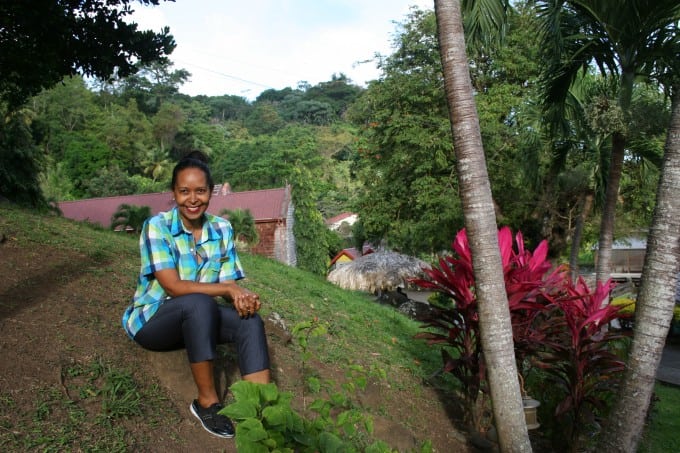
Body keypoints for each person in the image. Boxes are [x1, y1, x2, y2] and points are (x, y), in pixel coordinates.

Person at [122, 151, 270, 439]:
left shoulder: (222, 228)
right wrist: (228, 289)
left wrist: (242, 296)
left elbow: (228, 282)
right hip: (154, 322)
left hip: (199, 322)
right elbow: (174, 287)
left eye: (200, 191)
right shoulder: (157, 227)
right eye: (184, 191)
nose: (193, 199)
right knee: (198, 303)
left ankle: (262, 411)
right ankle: (206, 402)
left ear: (210, 193)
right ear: (173, 193)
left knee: (250, 320)